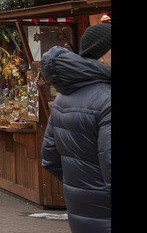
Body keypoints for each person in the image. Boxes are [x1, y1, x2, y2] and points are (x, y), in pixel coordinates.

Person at [41, 23, 111, 233]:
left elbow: (49, 158)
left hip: (82, 214)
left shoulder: (64, 97)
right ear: (102, 56)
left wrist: (84, 186)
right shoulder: (107, 98)